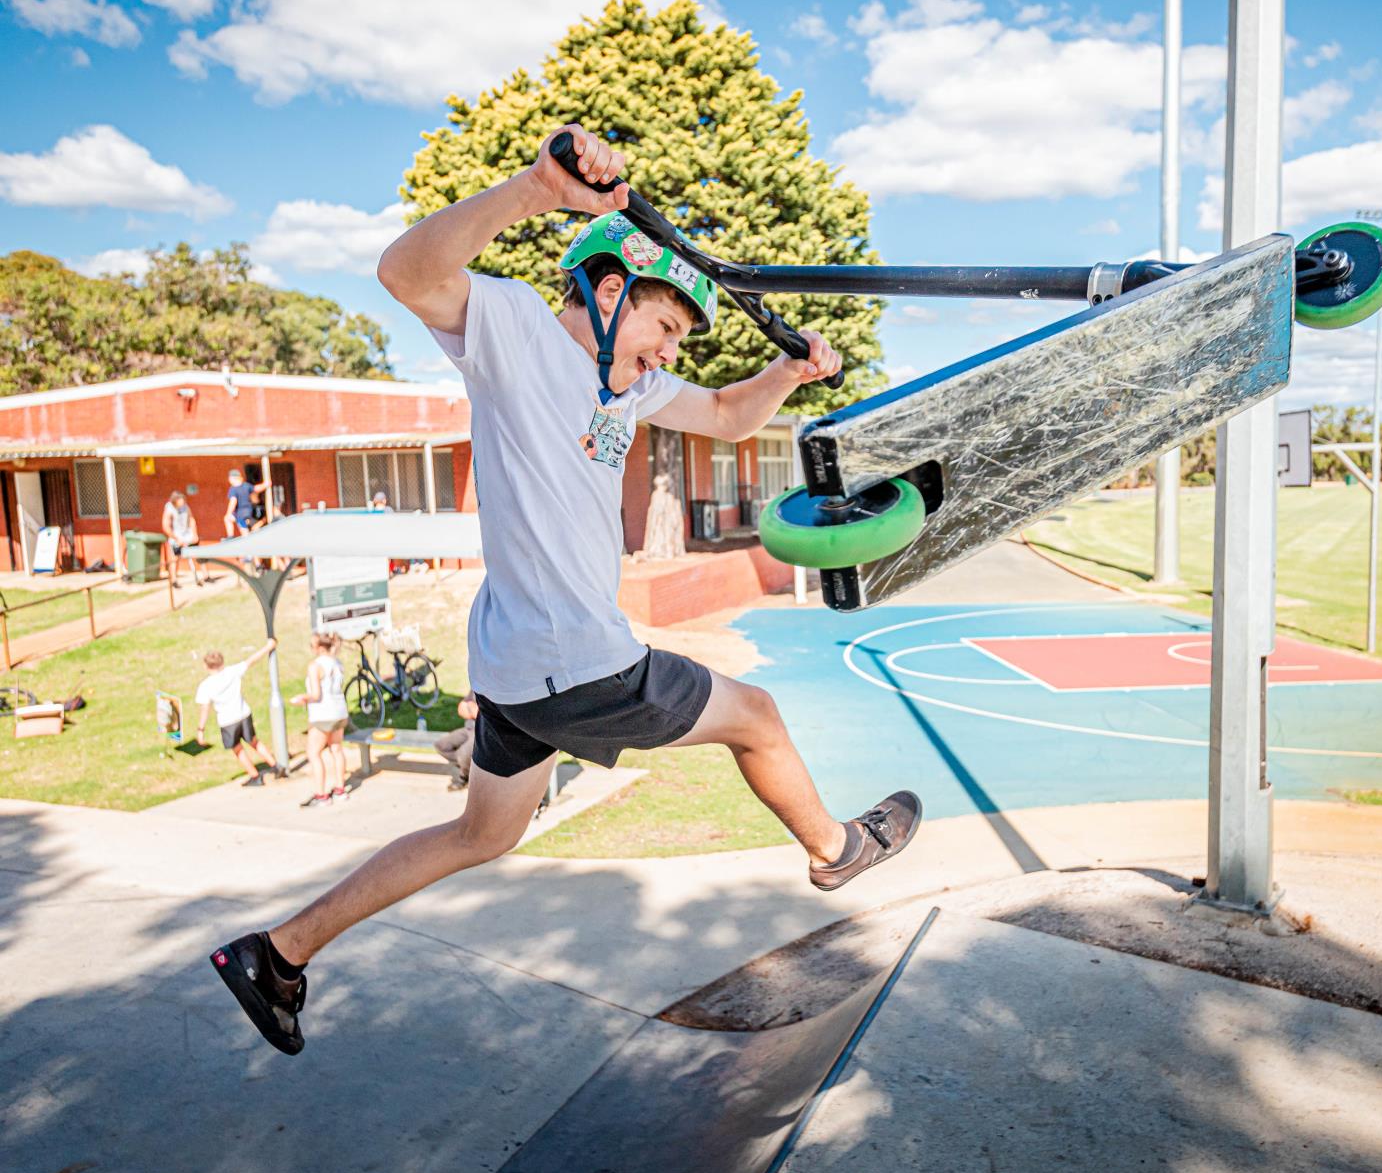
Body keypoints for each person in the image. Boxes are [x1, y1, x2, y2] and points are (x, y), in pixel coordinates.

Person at [210, 124, 921, 1057]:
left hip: (518, 665)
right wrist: (537, 191)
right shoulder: (512, 333)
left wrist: (785, 372)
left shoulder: (623, 390)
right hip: (575, 661)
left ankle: (277, 953)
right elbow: (403, 271)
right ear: (610, 289)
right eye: (664, 328)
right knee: (758, 714)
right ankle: (837, 852)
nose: (667, 352)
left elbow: (720, 416)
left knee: (480, 835)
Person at [195, 639, 290, 786]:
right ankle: (276, 765)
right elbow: (251, 660)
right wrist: (268, 647)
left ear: (206, 666)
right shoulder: (232, 672)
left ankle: (254, 775)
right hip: (243, 713)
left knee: (237, 749)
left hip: (227, 721)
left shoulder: (206, 686)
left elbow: (205, 708)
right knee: (254, 741)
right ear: (222, 662)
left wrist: (200, 729)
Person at [290, 633, 350, 808]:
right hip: (340, 711)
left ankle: (321, 795)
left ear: (317, 647)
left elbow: (316, 694)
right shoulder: (337, 663)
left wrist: (301, 698)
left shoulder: (315, 666)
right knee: (337, 749)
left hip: (323, 714)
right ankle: (340, 789)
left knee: (314, 753)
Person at [433, 691, 477, 792]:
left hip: (483, 730)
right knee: (441, 745)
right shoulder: (477, 684)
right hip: (469, 728)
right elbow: (461, 709)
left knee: (464, 753)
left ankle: (463, 777)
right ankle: (469, 766)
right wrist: (471, 708)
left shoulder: (496, 687)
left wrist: (471, 708)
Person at [160, 490, 203, 587]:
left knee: (197, 554)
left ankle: (203, 576)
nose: (182, 503)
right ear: (175, 501)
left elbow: (191, 519)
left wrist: (194, 534)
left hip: (187, 535)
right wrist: (176, 538)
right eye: (180, 501)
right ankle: (174, 581)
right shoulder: (169, 509)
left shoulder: (186, 507)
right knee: (175, 558)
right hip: (176, 536)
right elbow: (166, 526)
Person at [223, 469, 263, 538]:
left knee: (227, 518)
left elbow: (233, 501)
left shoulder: (233, 489)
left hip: (240, 514)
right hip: (249, 512)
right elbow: (256, 488)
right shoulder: (246, 485)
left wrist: (229, 512)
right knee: (249, 528)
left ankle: (230, 536)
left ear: (233, 478)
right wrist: (266, 484)